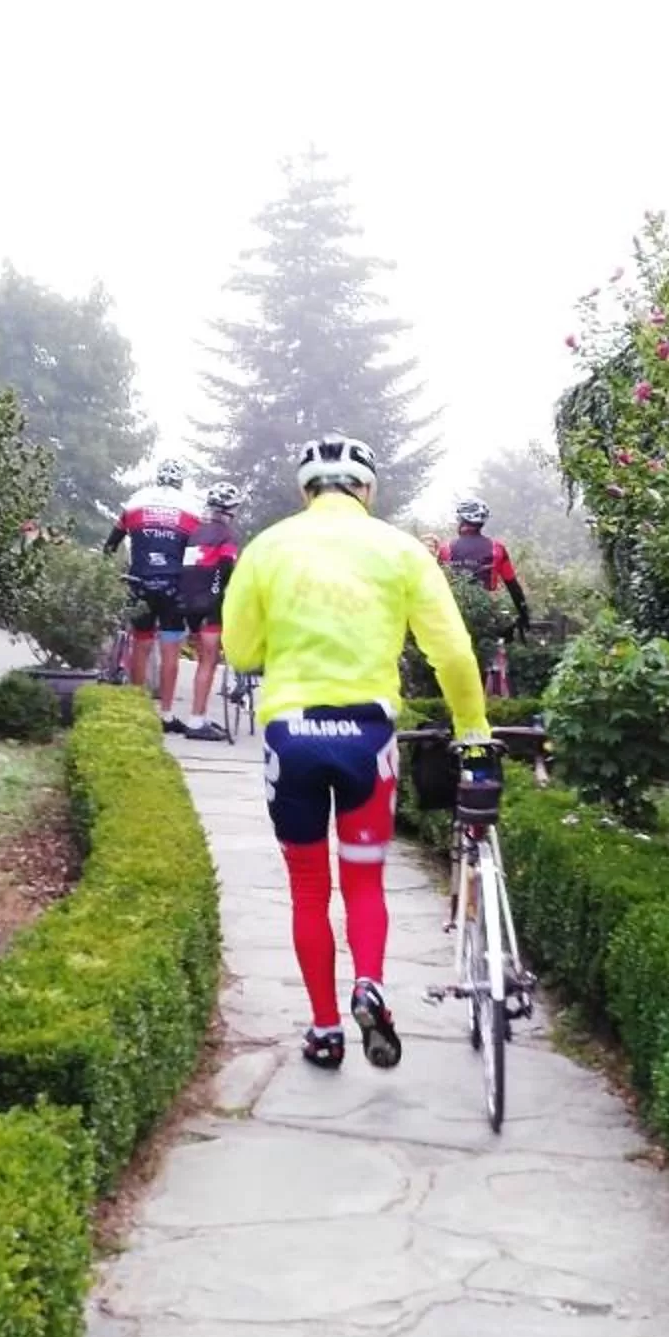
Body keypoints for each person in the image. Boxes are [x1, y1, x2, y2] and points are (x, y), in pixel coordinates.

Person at [222, 434, 495, 1071]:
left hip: (290, 735)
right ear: (367, 488)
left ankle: (324, 1031)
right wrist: (473, 730)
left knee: (308, 889)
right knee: (365, 882)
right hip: (368, 737)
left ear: (304, 490)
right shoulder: (401, 550)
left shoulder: (266, 547)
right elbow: (453, 653)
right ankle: (368, 984)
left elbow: (240, 652)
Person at [101, 457, 205, 730]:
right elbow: (196, 554)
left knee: (141, 643)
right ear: (180, 481)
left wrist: (109, 574)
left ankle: (138, 708)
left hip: (139, 580)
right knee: (170, 648)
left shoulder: (136, 501)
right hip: (174, 585)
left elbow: (110, 544)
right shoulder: (191, 508)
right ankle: (166, 714)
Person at [173, 482, 247, 742]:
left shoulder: (196, 533)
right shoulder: (227, 535)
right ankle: (196, 721)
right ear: (231, 510)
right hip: (210, 603)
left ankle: (200, 716)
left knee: (203, 659)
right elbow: (227, 569)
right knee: (209, 661)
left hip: (188, 603)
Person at [437, 499, 532, 696]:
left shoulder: (446, 549)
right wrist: (524, 616)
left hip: (452, 615)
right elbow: (512, 585)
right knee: (485, 664)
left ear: (461, 521)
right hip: (486, 615)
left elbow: (435, 586)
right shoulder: (497, 548)